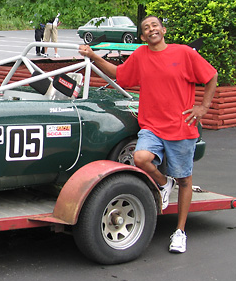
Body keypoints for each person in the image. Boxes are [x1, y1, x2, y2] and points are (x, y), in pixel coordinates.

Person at [78, 15, 218, 254]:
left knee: (184, 180)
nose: (151, 29)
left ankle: (180, 232)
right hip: (152, 127)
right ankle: (164, 184)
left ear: (163, 30)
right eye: (146, 28)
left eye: (155, 25)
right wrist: (93, 56)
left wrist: (203, 107)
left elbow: (211, 75)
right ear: (142, 37)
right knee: (141, 158)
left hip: (181, 127)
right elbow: (119, 74)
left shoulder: (184, 53)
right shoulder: (141, 55)